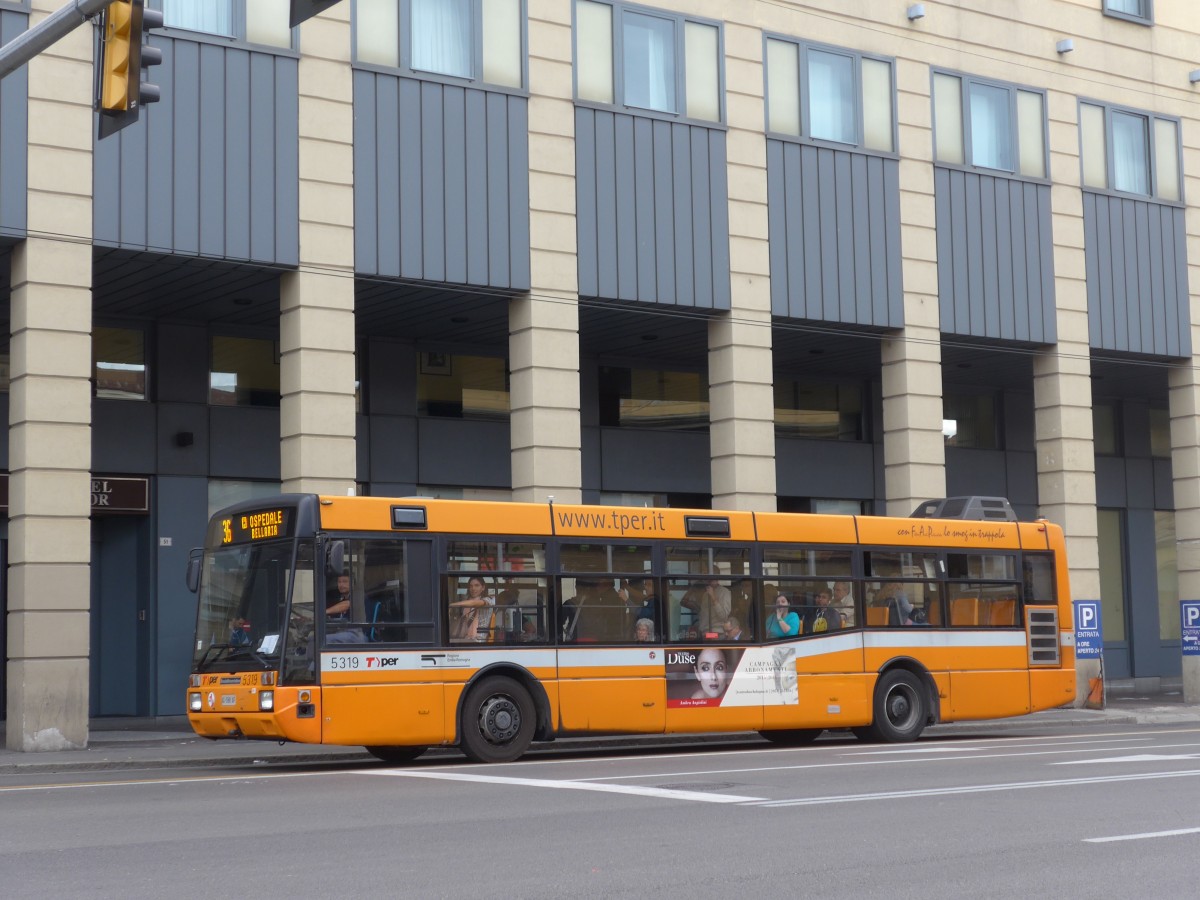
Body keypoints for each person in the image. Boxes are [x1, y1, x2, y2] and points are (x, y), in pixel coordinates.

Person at [450, 575, 495, 642]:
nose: (473, 588)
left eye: (477, 585)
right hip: (466, 637)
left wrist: (451, 605)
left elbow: (474, 603)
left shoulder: (488, 600)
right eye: (471, 586)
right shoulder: (467, 601)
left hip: (478, 639)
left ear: (483, 587)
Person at [327, 572, 367, 644]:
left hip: (355, 633)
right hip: (343, 632)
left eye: (345, 581)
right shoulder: (341, 600)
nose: (341, 585)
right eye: (339, 582)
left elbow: (347, 604)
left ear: (352, 583)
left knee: (321, 640)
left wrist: (325, 611)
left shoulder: (357, 595)